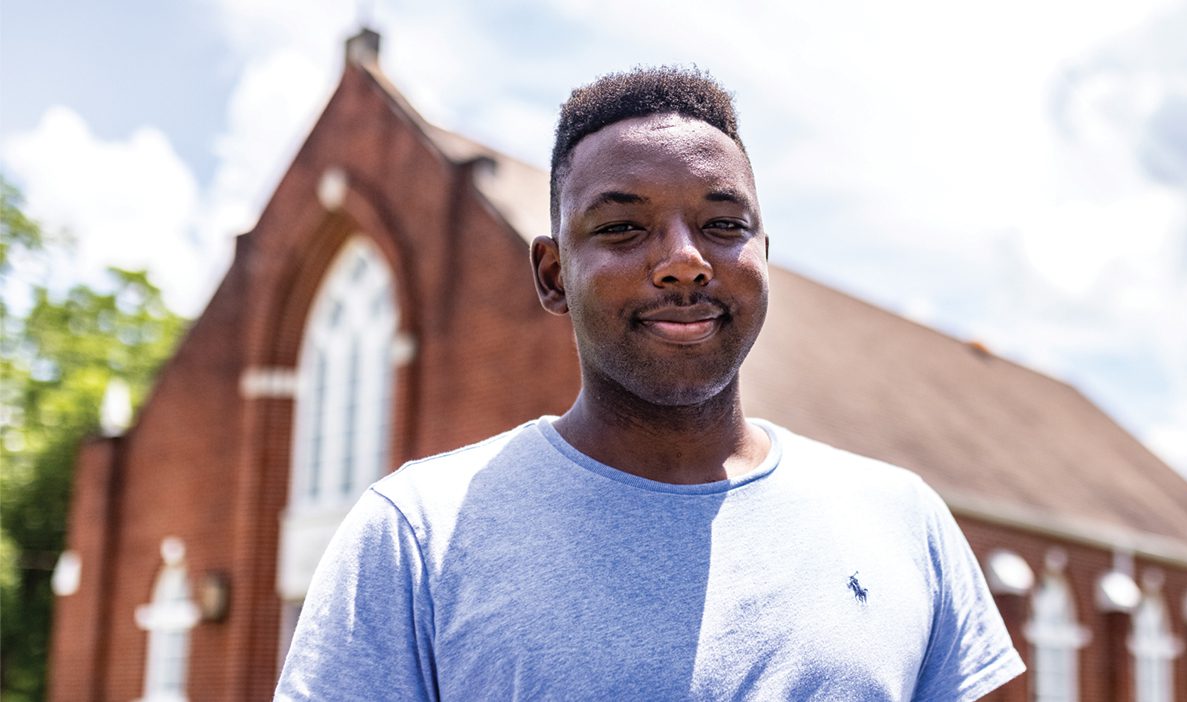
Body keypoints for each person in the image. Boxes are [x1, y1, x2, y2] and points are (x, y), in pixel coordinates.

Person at [276, 66, 1024, 701]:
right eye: (623, 229)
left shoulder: (902, 523)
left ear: (763, 255)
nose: (684, 261)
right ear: (551, 273)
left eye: (723, 225)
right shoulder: (413, 537)